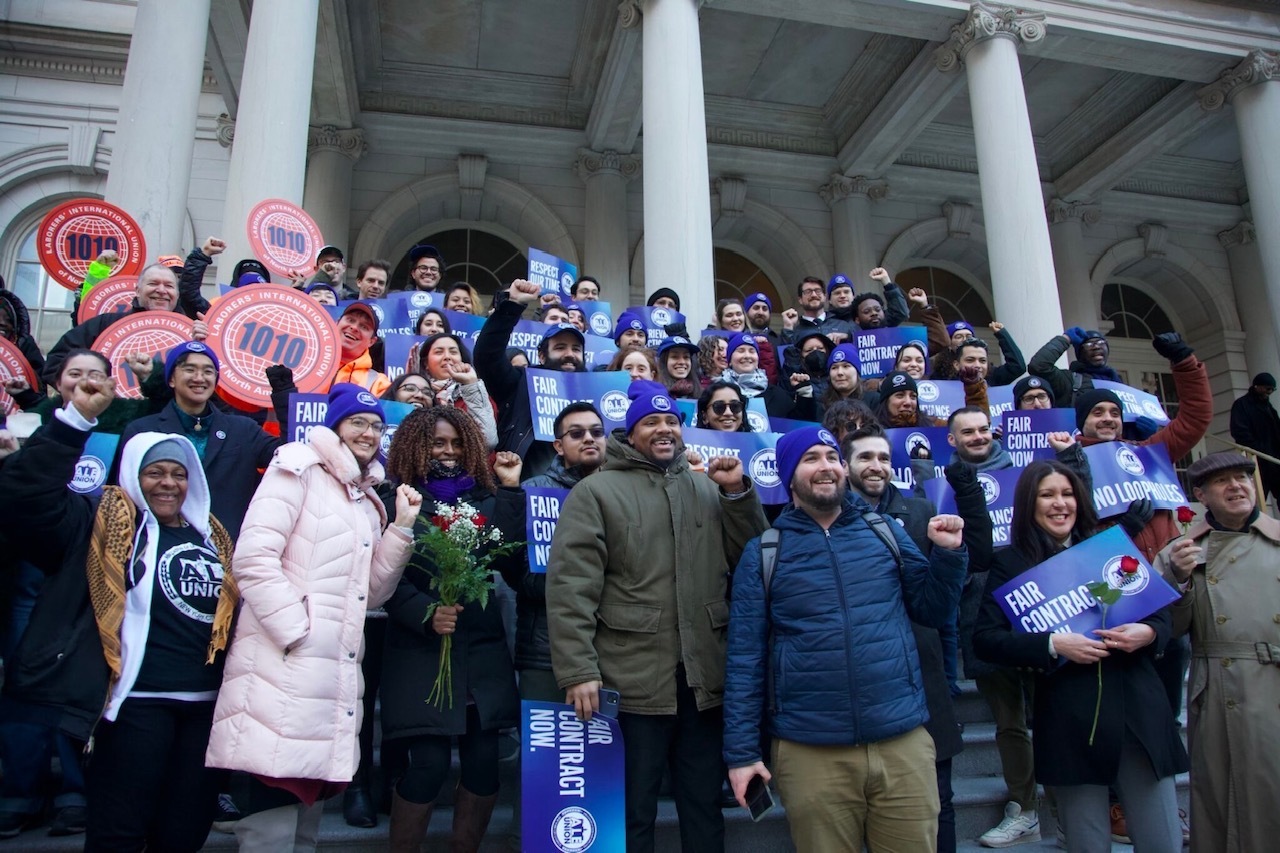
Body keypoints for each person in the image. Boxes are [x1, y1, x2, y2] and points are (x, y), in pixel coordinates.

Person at [0, 376, 239, 851]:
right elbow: (22, 493)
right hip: (134, 707)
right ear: (133, 472)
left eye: (178, 472)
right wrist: (73, 423)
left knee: (183, 836)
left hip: (204, 714)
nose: (168, 483)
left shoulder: (213, 535)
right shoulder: (95, 522)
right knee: (120, 835)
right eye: (155, 472)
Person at [547, 381, 769, 853]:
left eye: (672, 421)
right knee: (632, 811)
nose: (664, 429)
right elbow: (570, 588)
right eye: (652, 422)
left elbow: (754, 559)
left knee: (704, 806)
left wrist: (736, 496)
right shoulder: (595, 492)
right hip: (631, 681)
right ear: (631, 431)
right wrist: (578, 670)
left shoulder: (708, 486)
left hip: (703, 680)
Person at [723, 426, 967, 852]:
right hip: (810, 752)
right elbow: (745, 660)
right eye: (811, 458)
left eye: (832, 456)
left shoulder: (885, 531)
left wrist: (947, 555)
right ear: (789, 474)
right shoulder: (764, 551)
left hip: (902, 743)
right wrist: (743, 753)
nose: (826, 467)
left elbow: (933, 611)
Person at [204, 384, 423, 851]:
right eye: (358, 422)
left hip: (330, 673)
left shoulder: (366, 498)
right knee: (272, 818)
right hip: (282, 664)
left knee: (305, 820)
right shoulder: (295, 468)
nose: (368, 433)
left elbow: (372, 594)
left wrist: (401, 527)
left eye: (376, 425)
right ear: (336, 425)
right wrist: (296, 631)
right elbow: (253, 559)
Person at [974, 459, 1187, 851]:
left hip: (1139, 712)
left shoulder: (1107, 547)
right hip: (1070, 720)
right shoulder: (1012, 563)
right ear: (1028, 504)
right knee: (1086, 842)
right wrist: (1053, 644)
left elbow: (1160, 614)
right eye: (1048, 495)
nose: (1060, 504)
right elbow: (986, 639)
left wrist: (1147, 632)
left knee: (1163, 841)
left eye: (1068, 493)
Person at [380, 407, 521, 853]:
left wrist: (512, 490)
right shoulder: (395, 500)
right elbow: (384, 576)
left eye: (458, 443)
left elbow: (513, 561)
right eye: (438, 443)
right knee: (428, 765)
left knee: (483, 766)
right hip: (422, 654)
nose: (449, 452)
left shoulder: (488, 496)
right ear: (416, 447)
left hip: (480, 652)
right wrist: (426, 613)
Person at [840, 423, 976, 853]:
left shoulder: (920, 512)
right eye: (865, 458)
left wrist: (950, 675)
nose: (876, 466)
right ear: (845, 466)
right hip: (861, 682)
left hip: (925, 671)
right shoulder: (825, 519)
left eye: (883, 457)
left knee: (941, 800)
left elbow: (944, 600)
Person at [1153, 452, 1279, 852]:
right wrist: (1178, 580)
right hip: (1220, 687)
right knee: (1226, 797)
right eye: (1222, 481)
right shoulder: (1181, 551)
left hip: (1273, 681)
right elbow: (1168, 632)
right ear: (1201, 495)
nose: (1236, 486)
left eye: (1242, 477)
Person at [118, 342, 281, 539]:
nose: (199, 378)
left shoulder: (243, 429)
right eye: (190, 369)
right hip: (160, 549)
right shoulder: (142, 430)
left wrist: (283, 394)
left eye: (208, 371)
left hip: (229, 552)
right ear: (171, 379)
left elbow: (288, 455)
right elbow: (124, 497)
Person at [475, 279, 587, 481]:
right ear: (542, 356)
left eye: (576, 349)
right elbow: (487, 357)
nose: (569, 354)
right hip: (525, 491)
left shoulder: (598, 389)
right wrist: (512, 305)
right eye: (560, 347)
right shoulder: (520, 383)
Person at [43, 263, 207, 384]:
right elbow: (56, 364)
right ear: (137, 291)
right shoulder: (104, 324)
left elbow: (209, 383)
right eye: (153, 284)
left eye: (169, 286)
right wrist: (87, 392)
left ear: (177, 295)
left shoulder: (194, 333)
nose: (162, 290)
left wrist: (204, 345)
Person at [412, 332, 498, 449]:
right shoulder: (413, 392)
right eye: (439, 352)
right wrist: (412, 384)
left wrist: (470, 385)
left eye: (453, 352)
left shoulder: (476, 394)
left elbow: (488, 441)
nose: (447, 357)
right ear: (426, 363)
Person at [720, 332, 808, 419]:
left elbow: (796, 423)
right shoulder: (717, 391)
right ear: (730, 361)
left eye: (752, 351)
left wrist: (804, 394)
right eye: (741, 351)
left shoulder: (776, 395)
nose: (747, 356)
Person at [1027, 327, 1121, 407]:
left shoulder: (1118, 383)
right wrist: (1066, 339)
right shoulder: (1069, 381)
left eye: (1101, 342)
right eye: (1088, 344)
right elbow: (1038, 366)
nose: (1096, 347)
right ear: (1080, 354)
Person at [1229, 371, 1280, 503]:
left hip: (1274, 460)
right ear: (1257, 386)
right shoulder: (1242, 405)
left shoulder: (1268, 407)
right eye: (1267, 389)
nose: (1269, 392)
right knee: (1255, 500)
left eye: (1272, 390)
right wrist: (1259, 449)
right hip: (1256, 460)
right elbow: (1239, 432)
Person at [333, 301, 392, 397]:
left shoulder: (379, 383)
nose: (354, 327)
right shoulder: (305, 365)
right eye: (350, 320)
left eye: (364, 327)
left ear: (371, 341)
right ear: (336, 323)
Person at [781, 275, 856, 344]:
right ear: (800, 299)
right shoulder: (795, 332)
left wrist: (848, 338)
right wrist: (788, 328)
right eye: (808, 292)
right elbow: (787, 355)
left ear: (825, 296)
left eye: (818, 291)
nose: (814, 295)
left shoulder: (844, 325)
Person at [875, 370, 944, 429]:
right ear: (886, 401)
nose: (908, 402)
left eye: (913, 396)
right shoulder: (871, 432)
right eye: (900, 395)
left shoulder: (931, 428)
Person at [743, 292, 783, 384]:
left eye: (765, 309)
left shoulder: (779, 340)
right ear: (746, 311)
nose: (760, 312)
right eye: (756, 308)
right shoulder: (739, 337)